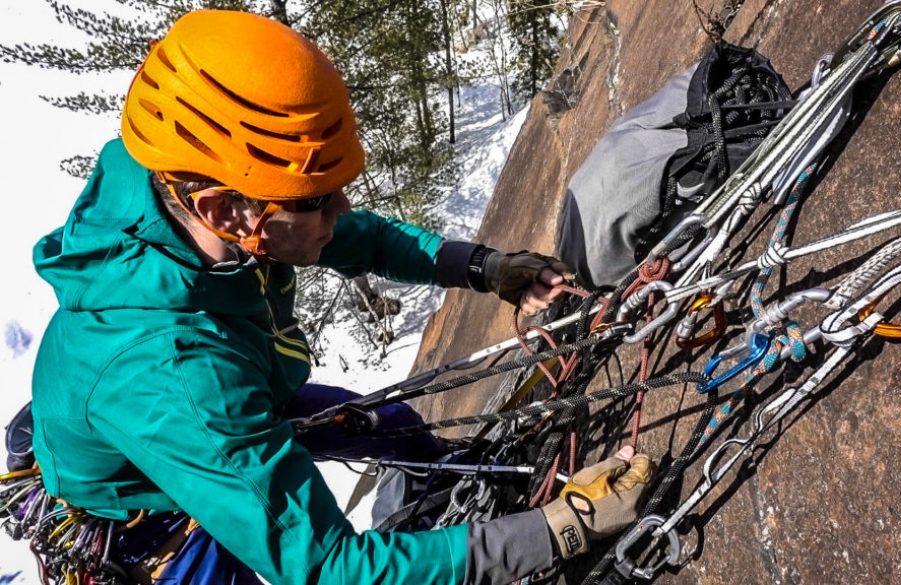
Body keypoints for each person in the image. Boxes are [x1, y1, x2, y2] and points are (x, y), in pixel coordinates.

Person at [24, 9, 654, 584]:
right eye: (318, 200)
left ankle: (456, 504)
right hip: (156, 519)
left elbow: (354, 237)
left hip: (233, 394)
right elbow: (329, 567)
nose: (342, 211)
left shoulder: (182, 188)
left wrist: (485, 268)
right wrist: (556, 530)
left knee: (394, 429)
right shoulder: (177, 377)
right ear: (224, 211)